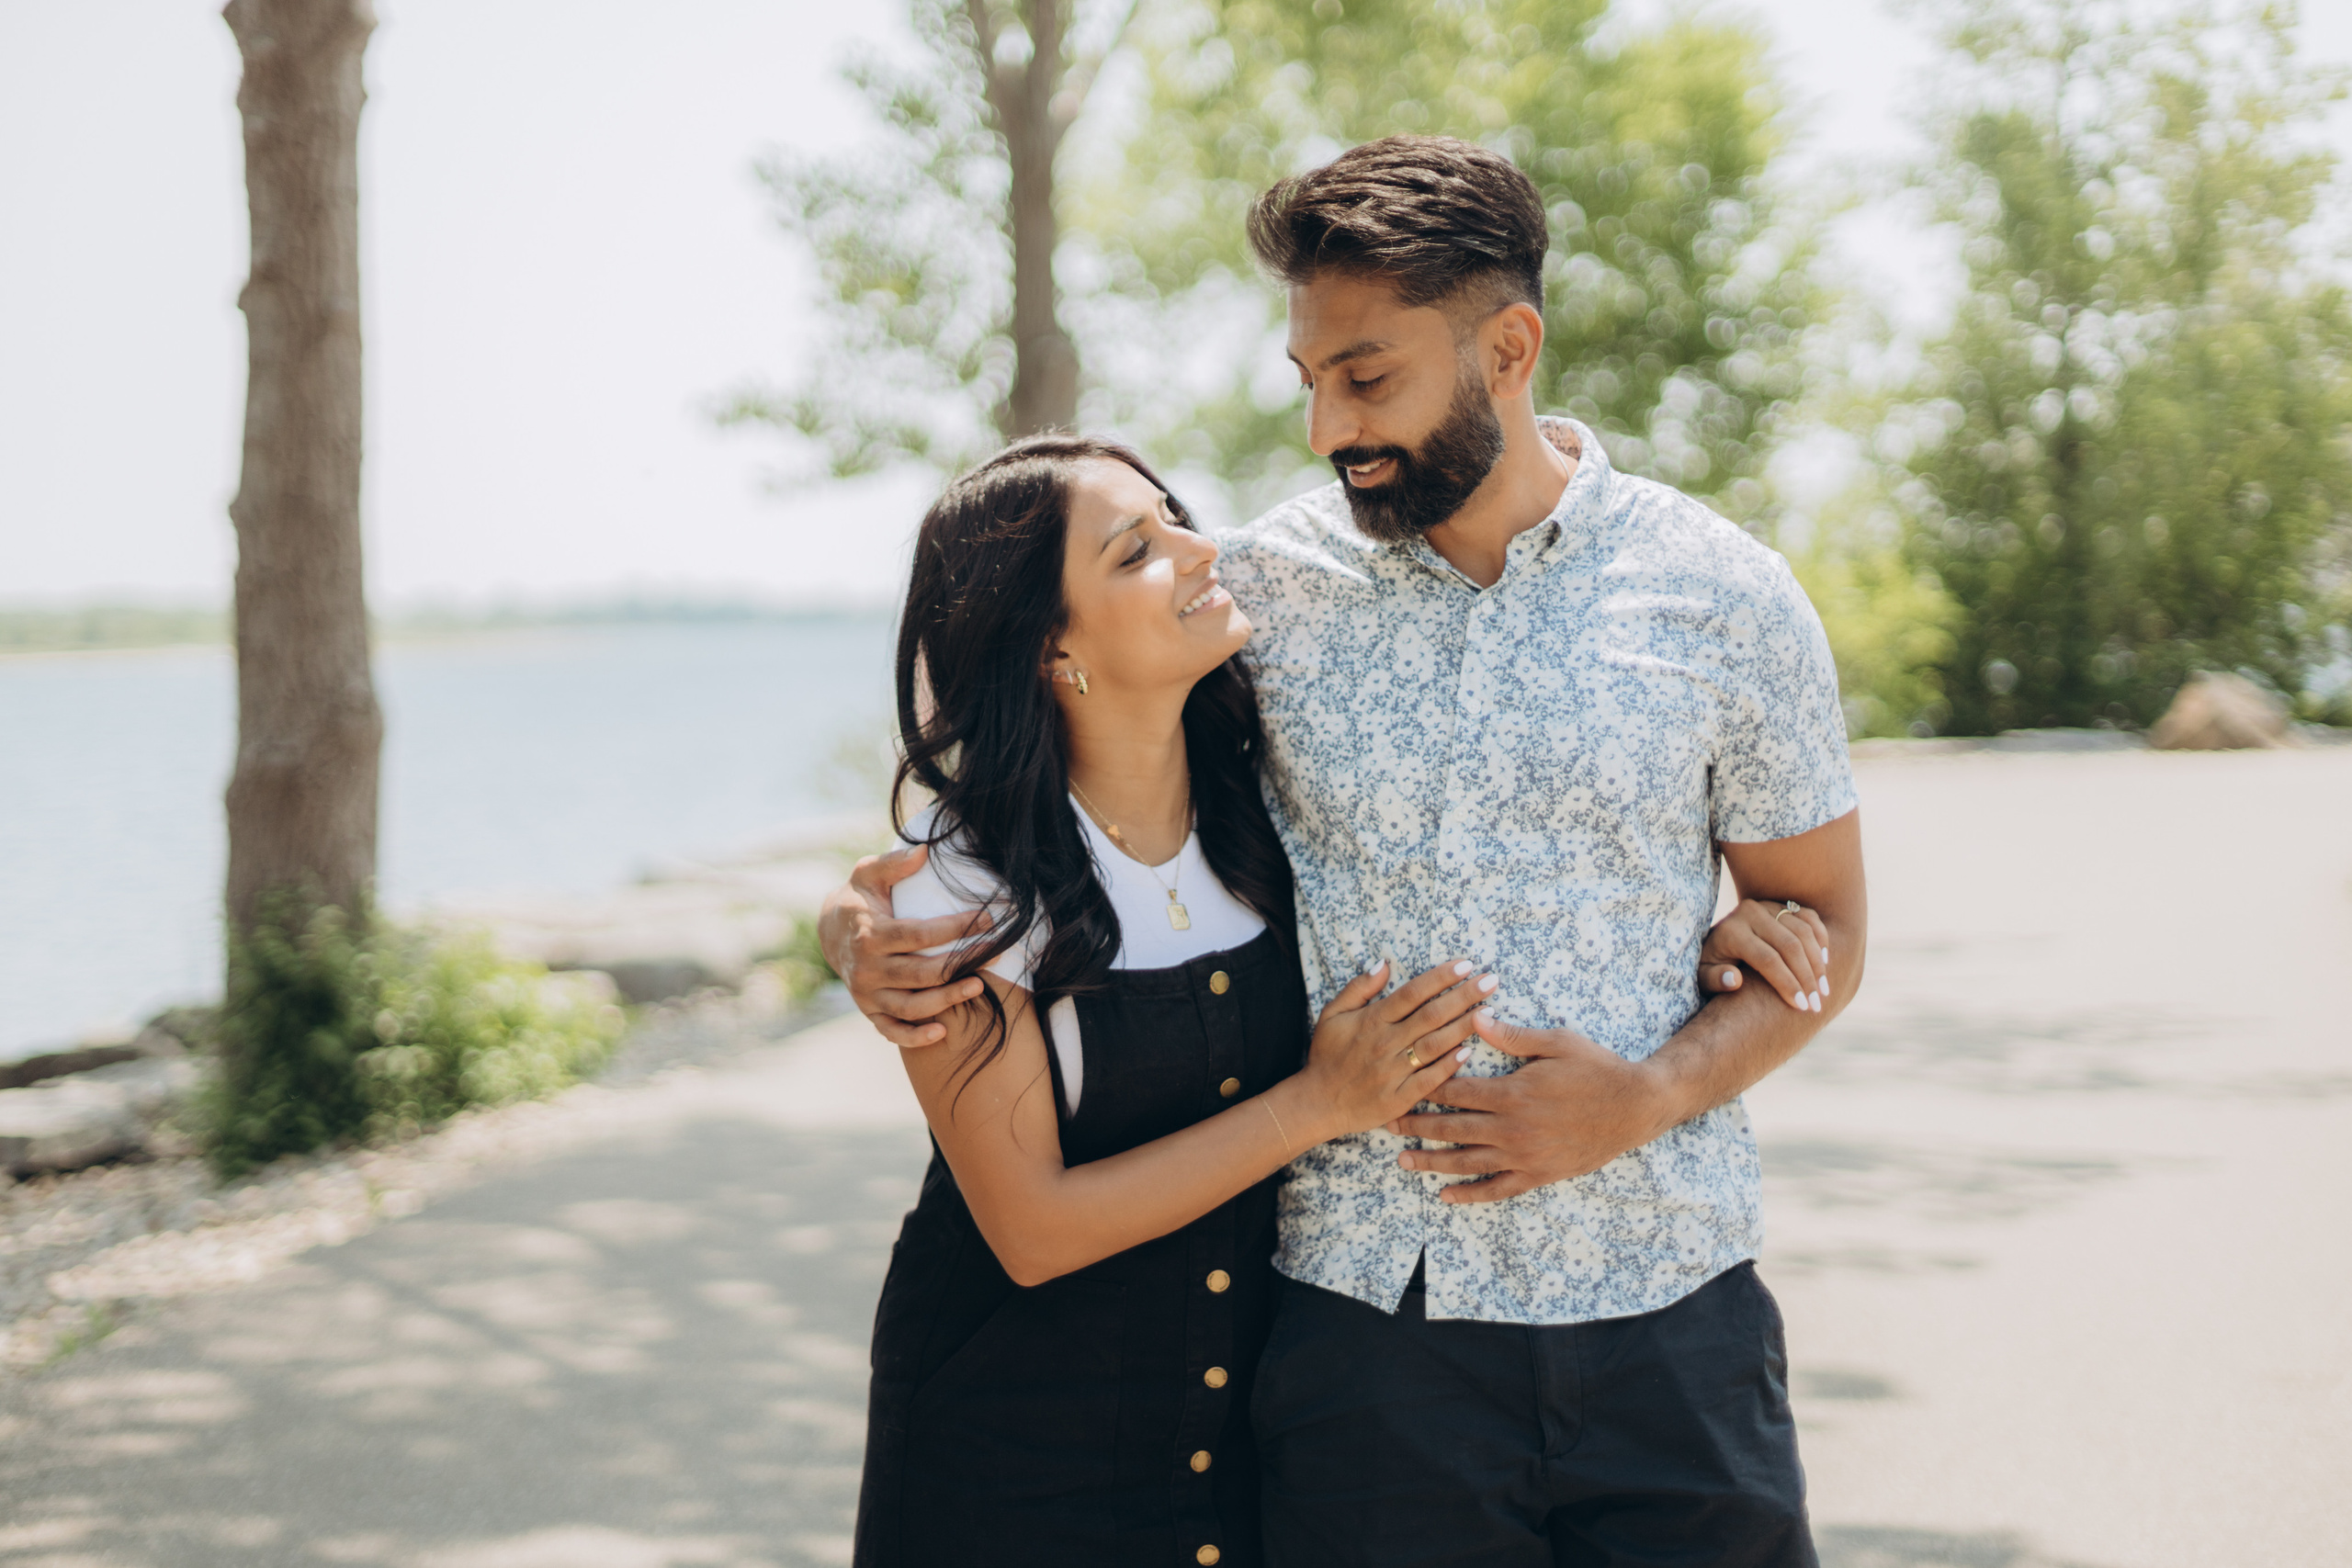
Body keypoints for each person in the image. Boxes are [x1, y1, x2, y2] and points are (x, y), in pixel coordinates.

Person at [831, 136, 1864, 1568]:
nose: (1327, 427)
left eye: (1366, 377)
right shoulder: (1257, 595)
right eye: (1308, 380)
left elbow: (1823, 928)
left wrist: (1645, 1095)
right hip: (1369, 1346)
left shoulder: (1727, 599)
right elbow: (1033, 753)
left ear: (1508, 346)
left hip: (1669, 1311)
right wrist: (855, 920)